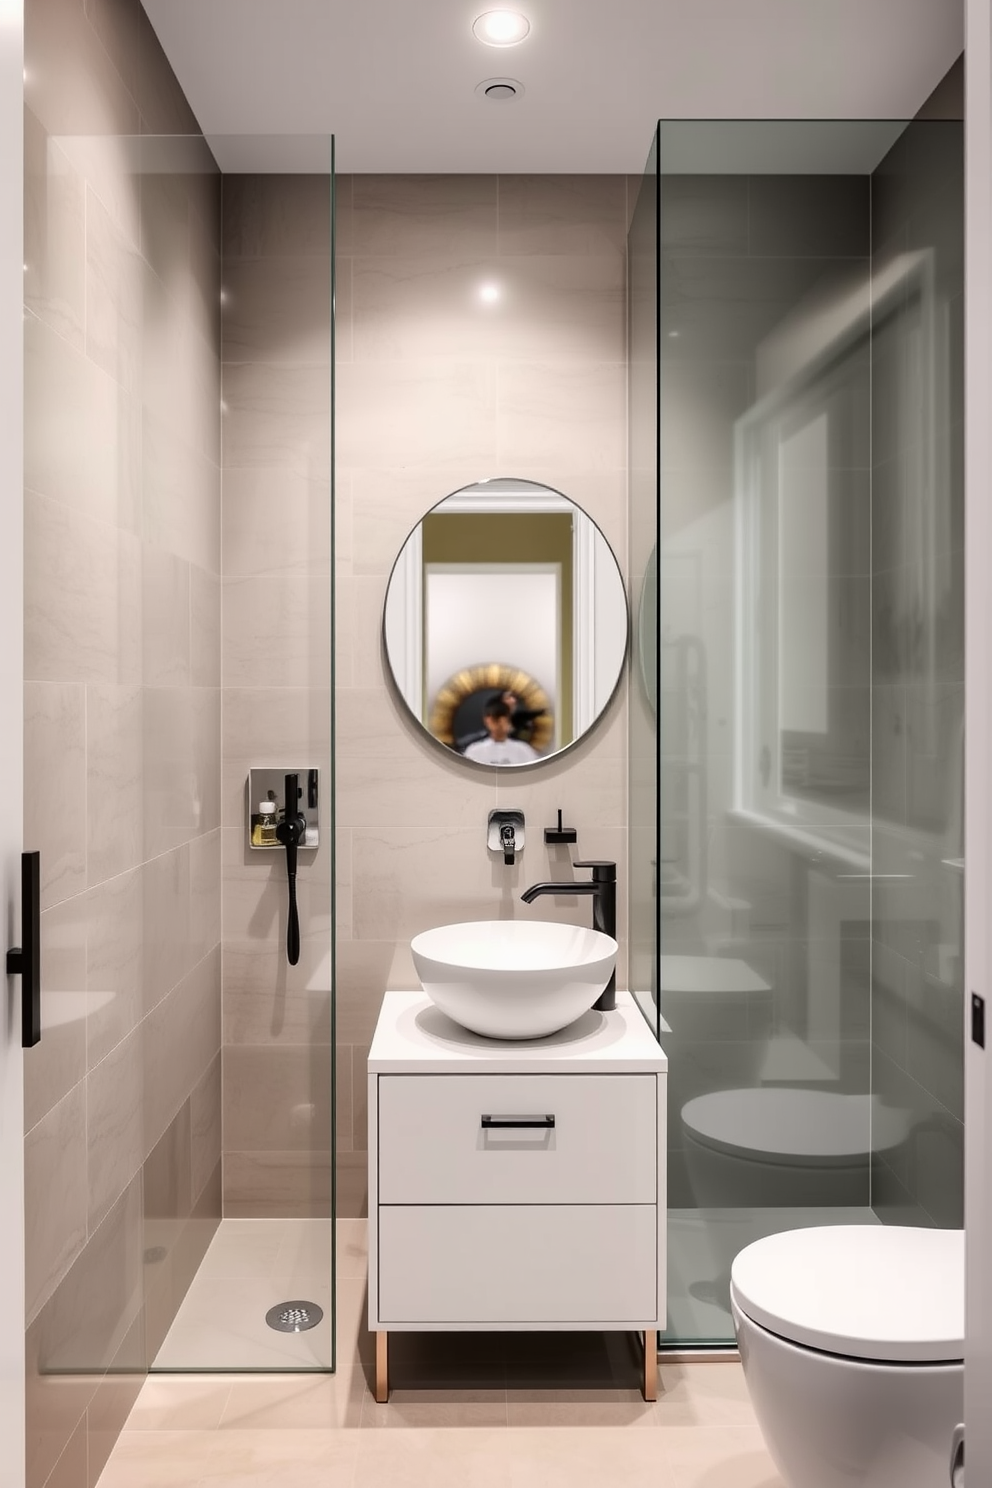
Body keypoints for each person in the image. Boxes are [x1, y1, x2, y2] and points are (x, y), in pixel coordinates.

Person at [462, 699, 539, 764]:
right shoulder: (474, 751)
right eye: (496, 720)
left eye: (505, 721)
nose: (500, 725)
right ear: (487, 721)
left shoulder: (524, 750)